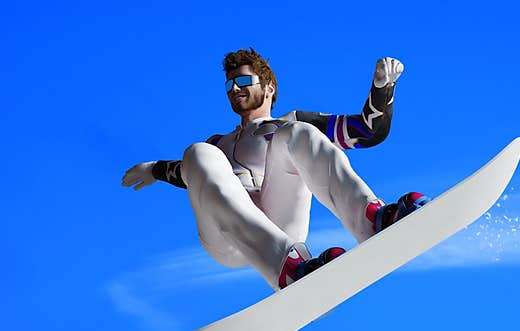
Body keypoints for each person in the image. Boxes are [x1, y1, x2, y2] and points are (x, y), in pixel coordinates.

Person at [122, 48, 429, 290]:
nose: (235, 89)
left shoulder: (288, 122)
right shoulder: (218, 143)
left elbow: (366, 131)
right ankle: (287, 267)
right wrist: (154, 169)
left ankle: (370, 219)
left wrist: (382, 89)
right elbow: (189, 171)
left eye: (243, 81)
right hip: (228, 237)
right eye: (230, 84)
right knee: (199, 152)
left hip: (281, 220)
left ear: (268, 87)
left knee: (299, 132)